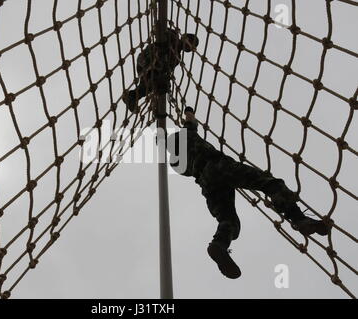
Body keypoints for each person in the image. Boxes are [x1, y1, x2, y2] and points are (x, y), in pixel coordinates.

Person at [167, 106, 331, 279]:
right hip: (219, 166)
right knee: (269, 183)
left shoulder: (177, 165)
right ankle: (298, 218)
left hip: (206, 183)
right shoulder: (187, 136)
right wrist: (188, 111)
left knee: (229, 220)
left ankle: (219, 244)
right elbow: (190, 122)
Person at [122, 28, 199, 113]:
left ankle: (131, 97)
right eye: (190, 42)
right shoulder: (174, 36)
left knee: (151, 86)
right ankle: (133, 95)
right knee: (154, 78)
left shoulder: (177, 58)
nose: (189, 46)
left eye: (191, 46)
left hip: (154, 69)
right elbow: (160, 30)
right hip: (148, 58)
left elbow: (167, 70)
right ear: (185, 37)